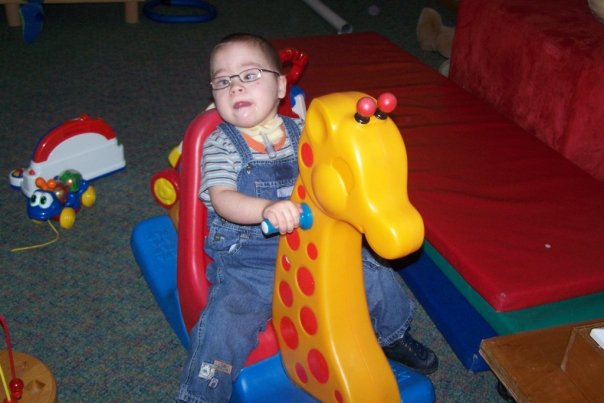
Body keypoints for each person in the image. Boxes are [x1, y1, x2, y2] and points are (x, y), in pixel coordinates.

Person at [176, 33, 438, 403]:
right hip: (250, 265)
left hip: (314, 249)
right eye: (223, 81)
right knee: (225, 322)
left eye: (249, 75)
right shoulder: (221, 143)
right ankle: (201, 393)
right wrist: (264, 209)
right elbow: (222, 199)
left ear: (281, 85)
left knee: (376, 272)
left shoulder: (302, 132)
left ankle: (392, 334)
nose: (235, 87)